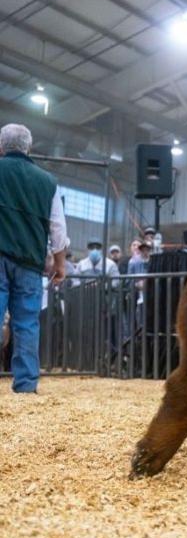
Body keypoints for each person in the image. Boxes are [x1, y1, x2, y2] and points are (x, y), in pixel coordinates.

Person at [0, 123, 69, 393]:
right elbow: (58, 228)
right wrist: (60, 264)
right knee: (27, 322)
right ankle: (26, 385)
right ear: (29, 148)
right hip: (29, 263)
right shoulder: (47, 181)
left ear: (1, 146)